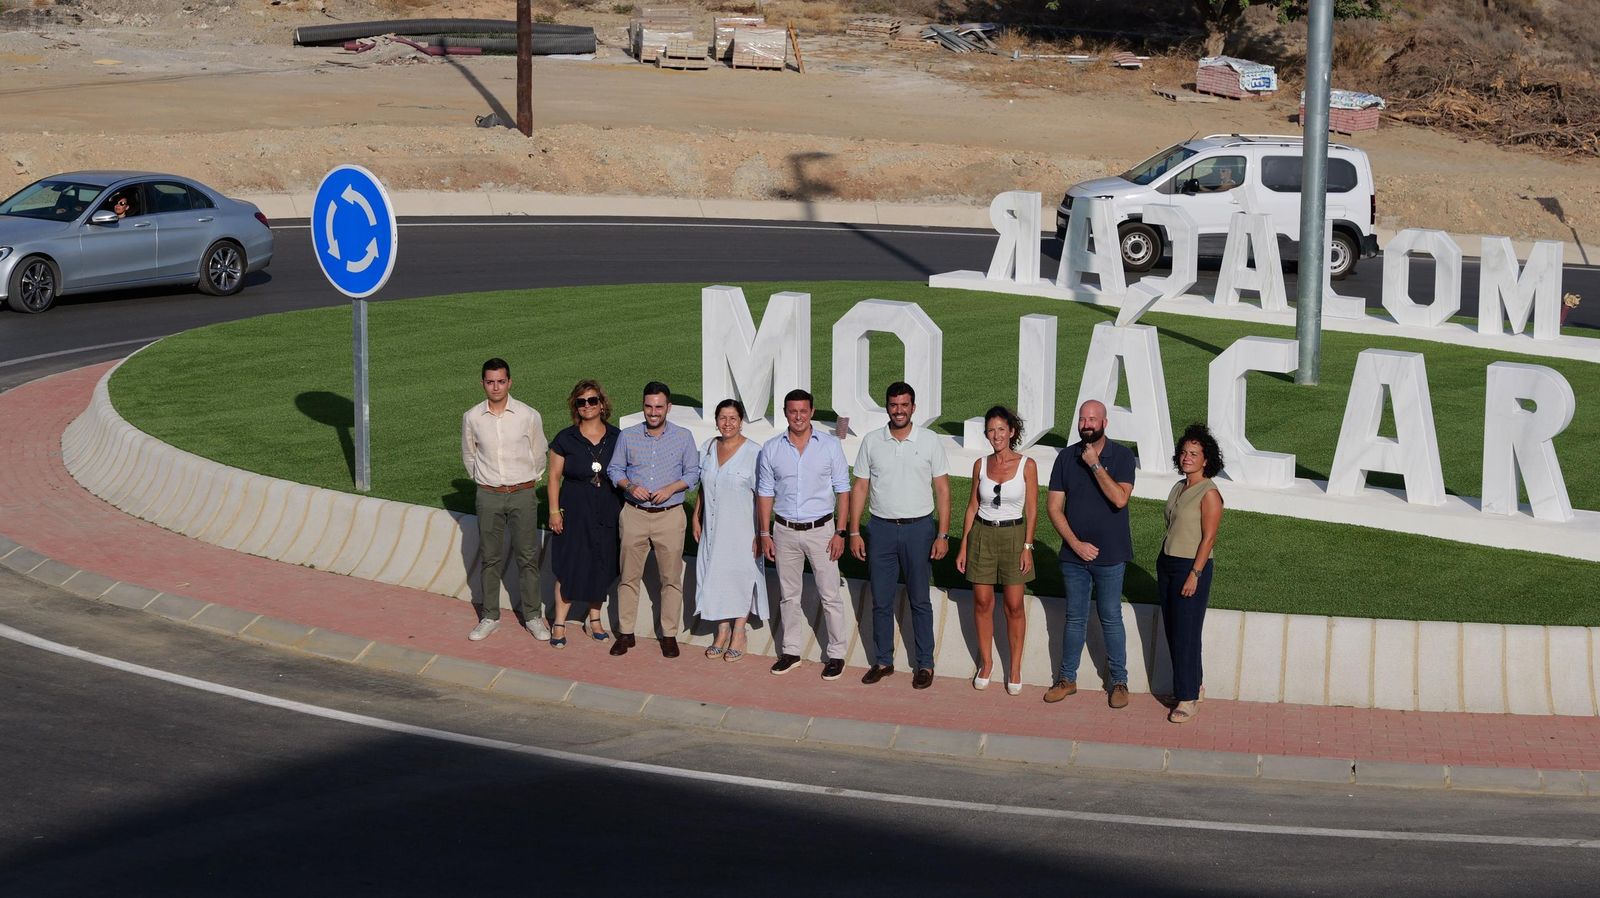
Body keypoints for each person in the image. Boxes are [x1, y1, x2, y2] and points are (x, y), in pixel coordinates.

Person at [848, 381, 951, 690]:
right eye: (893, 405)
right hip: (880, 530)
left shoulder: (930, 440)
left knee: (920, 599)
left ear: (913, 408)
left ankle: (925, 664)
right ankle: (882, 661)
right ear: (887, 407)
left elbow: (943, 489)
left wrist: (943, 534)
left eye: (904, 405)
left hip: (920, 529)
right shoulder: (871, 441)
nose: (899, 410)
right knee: (881, 599)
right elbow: (861, 487)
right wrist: (854, 530)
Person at [1045, 399, 1135, 708]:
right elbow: (1054, 508)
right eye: (1083, 418)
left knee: (1111, 617)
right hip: (1074, 558)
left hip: (1111, 556)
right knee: (1075, 619)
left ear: (1105, 423)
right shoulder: (1065, 458)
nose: (1086, 423)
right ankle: (1066, 678)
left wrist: (1096, 464)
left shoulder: (1122, 456)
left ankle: (1119, 681)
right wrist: (1075, 544)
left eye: (1093, 419)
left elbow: (1120, 499)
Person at [756, 389, 851, 681]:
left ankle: (836, 654)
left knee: (830, 594)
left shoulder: (830, 446)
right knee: (788, 596)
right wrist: (764, 532)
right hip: (784, 531)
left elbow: (843, 489)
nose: (798, 416)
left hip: (822, 530)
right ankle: (791, 651)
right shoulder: (771, 449)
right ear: (785, 413)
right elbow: (765, 493)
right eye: (792, 411)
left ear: (811, 412)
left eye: (803, 411)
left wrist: (841, 532)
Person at [606, 381, 700, 657]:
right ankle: (625, 633)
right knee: (628, 577)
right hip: (634, 515)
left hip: (669, 517)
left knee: (670, 579)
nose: (654, 412)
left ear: (668, 407)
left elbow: (693, 473)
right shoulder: (628, 436)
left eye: (659, 407)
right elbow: (614, 469)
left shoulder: (683, 437)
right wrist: (630, 486)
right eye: (649, 406)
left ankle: (668, 634)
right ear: (643, 406)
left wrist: (670, 488)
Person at [461, 358, 550, 642]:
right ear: (483, 384)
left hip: (523, 494)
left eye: (501, 381)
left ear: (509, 382)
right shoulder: (472, 417)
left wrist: (529, 479)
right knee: (490, 558)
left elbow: (539, 452)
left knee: (528, 557)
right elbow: (469, 455)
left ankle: (533, 617)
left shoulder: (528, 415)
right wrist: (484, 480)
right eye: (490, 381)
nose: (496, 387)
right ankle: (489, 617)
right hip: (489, 495)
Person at [955, 406, 1037, 695]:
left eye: (1001, 429)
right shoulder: (980, 464)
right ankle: (987, 663)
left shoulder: (1027, 464)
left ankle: (1014, 667)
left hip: (1014, 536)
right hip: (982, 535)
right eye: (991, 430)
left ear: (1012, 432)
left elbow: (1032, 509)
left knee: (1014, 605)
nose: (996, 435)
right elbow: (972, 506)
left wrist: (1027, 547)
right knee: (982, 602)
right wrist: (964, 544)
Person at [546, 379, 622, 649]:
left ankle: (595, 618)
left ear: (602, 404)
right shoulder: (565, 438)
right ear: (575, 407)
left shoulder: (617, 436)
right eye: (581, 402)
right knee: (569, 565)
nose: (587, 406)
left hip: (608, 509)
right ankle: (559, 622)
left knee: (601, 564)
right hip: (575, 508)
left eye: (592, 400)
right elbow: (553, 477)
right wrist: (554, 511)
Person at [691, 398, 767, 663]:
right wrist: (696, 515)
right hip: (713, 525)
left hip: (743, 527)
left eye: (733, 418)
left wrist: (762, 532)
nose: (727, 423)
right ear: (716, 421)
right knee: (715, 574)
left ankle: (738, 632)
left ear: (741, 421)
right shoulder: (708, 447)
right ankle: (721, 631)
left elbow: (764, 496)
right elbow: (703, 485)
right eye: (722, 418)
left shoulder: (755, 452)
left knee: (740, 576)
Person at [1159, 424, 1224, 724]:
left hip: (1191, 566)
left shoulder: (1209, 493)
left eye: (1194, 454)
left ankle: (1187, 699)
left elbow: (1209, 538)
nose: (1187, 458)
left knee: (1186, 632)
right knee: (1174, 629)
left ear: (1206, 459)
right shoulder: (1179, 486)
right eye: (1184, 452)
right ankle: (1192, 686)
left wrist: (1195, 573)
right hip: (1168, 562)